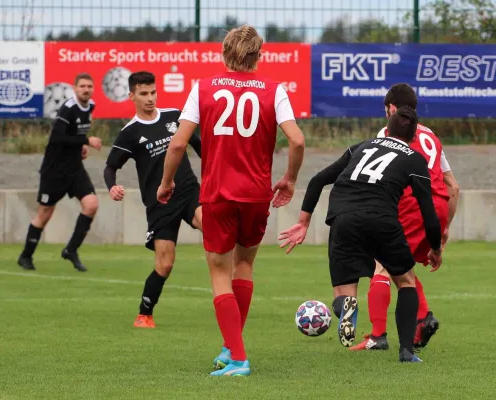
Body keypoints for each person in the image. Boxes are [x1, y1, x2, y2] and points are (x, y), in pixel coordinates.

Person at [156, 25, 305, 376]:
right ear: (259, 55)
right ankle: (229, 347)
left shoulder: (202, 88)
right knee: (245, 266)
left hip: (218, 194)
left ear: (224, 52)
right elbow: (297, 141)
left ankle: (238, 358)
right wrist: (289, 179)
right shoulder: (275, 90)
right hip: (256, 195)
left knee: (219, 272)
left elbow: (178, 144)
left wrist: (166, 183)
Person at [279, 107, 443, 363]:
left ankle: (346, 305)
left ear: (386, 130)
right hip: (382, 219)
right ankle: (406, 352)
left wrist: (303, 222)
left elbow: (318, 180)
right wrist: (435, 247)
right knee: (406, 282)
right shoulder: (414, 159)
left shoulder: (360, 147)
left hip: (343, 217)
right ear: (413, 138)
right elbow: (428, 213)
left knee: (344, 292)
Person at [349, 83, 460, 352]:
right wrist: (443, 230)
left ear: (392, 109)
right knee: (404, 266)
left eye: (386, 109)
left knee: (381, 264)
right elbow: (453, 186)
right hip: (439, 207)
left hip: (412, 204)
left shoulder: (388, 132)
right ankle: (423, 318)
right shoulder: (431, 136)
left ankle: (377, 336)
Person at [104, 71, 202, 328]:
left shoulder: (174, 116)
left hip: (189, 190)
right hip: (160, 203)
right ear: (132, 96)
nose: (150, 98)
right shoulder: (130, 132)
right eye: (144, 94)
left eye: (153, 93)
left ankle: (231, 286)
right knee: (165, 263)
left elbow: (200, 146)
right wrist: (112, 187)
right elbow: (110, 167)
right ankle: (144, 314)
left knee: (212, 225)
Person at [17, 73, 102, 272]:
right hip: (54, 170)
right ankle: (25, 255)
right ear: (74, 88)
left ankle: (71, 250)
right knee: (45, 214)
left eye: (89, 86)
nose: (86, 89)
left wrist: (81, 145)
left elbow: (76, 134)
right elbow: (57, 138)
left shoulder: (90, 106)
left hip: (74, 168)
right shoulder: (68, 108)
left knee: (91, 204)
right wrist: (86, 141)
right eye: (82, 86)